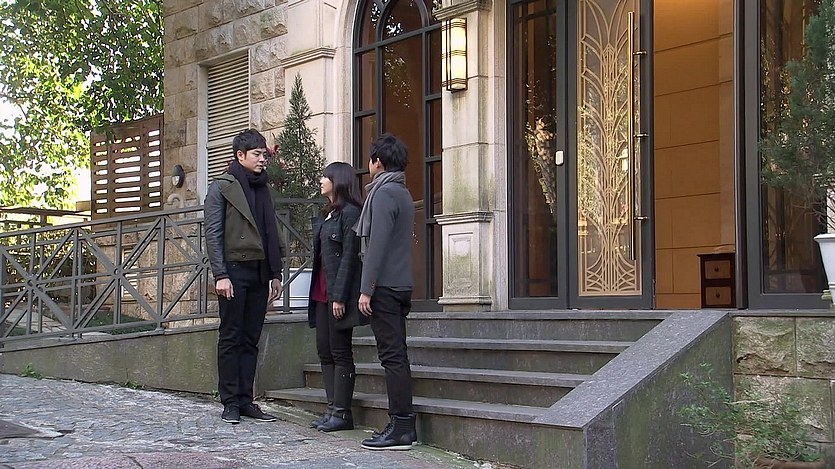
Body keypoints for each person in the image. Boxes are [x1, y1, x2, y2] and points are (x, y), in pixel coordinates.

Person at [205, 128, 283, 424]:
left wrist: (275, 274)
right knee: (231, 336)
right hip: (234, 271)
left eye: (264, 154)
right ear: (240, 155)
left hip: (260, 271)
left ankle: (246, 400)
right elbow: (213, 234)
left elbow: (270, 232)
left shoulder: (263, 187)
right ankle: (230, 402)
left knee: (251, 338)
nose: (263, 159)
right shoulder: (221, 187)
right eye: (257, 154)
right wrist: (220, 274)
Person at [354, 134, 417, 450]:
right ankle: (403, 425)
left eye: (370, 159)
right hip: (401, 284)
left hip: (385, 287)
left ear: (377, 162)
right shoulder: (402, 191)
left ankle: (401, 426)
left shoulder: (382, 193)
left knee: (392, 357)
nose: (368, 165)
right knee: (397, 355)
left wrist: (366, 289)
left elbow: (376, 245)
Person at [306, 162, 367, 432]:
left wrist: (340, 297)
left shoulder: (350, 213)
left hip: (337, 294)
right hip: (321, 293)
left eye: (326, 176)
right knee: (324, 350)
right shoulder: (328, 214)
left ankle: (342, 413)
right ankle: (332, 409)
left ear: (339, 180)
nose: (321, 180)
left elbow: (350, 259)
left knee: (340, 351)